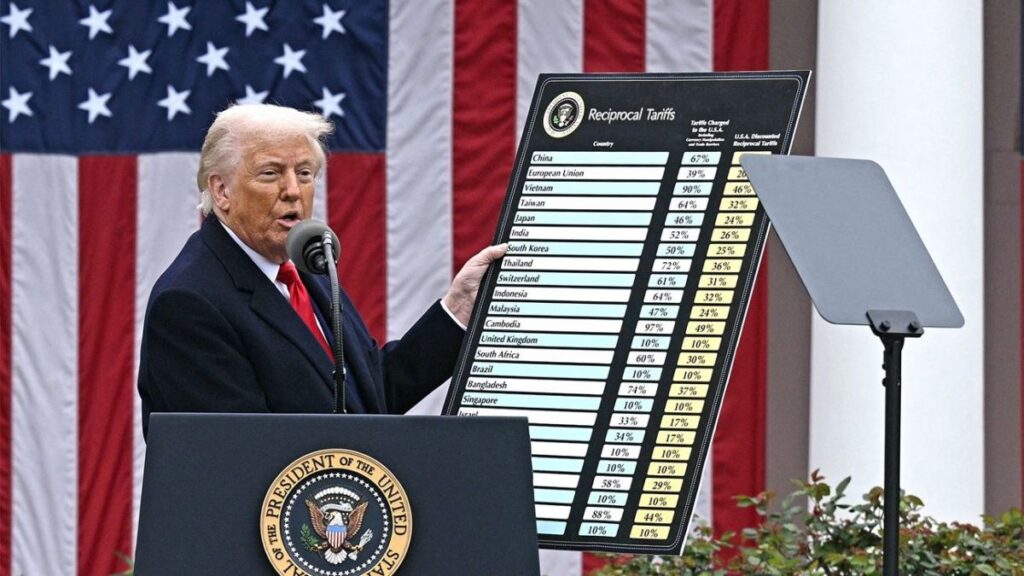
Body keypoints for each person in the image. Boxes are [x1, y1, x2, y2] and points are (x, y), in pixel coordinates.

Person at [138, 103, 505, 437]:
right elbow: (237, 456)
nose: (293, 191)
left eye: (305, 172)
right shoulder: (189, 302)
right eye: (270, 173)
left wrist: (456, 310)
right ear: (221, 191)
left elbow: (366, 397)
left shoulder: (305, 266)